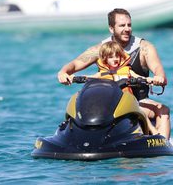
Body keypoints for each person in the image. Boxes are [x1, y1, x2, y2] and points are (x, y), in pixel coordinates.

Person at [57, 8, 170, 139]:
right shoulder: (100, 49)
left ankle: (162, 143)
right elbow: (76, 63)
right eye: (122, 25)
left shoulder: (144, 48)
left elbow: (157, 68)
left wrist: (159, 77)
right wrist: (63, 72)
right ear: (111, 28)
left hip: (137, 102)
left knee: (163, 110)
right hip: (105, 105)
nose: (127, 29)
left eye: (129, 25)